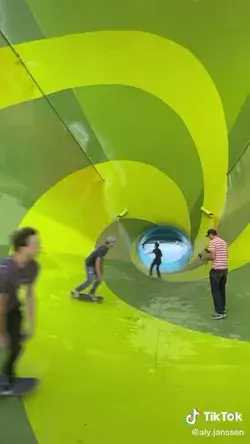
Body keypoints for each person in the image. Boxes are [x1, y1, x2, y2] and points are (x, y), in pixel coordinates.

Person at [0, 227, 40, 394]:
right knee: (3, 343)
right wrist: (1, 335)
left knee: (16, 346)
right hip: (2, 307)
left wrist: (31, 323)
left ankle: (6, 378)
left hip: (13, 306)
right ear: (22, 247)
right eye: (35, 244)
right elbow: (1, 307)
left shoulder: (33, 267)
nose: (39, 247)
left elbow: (30, 294)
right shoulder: (5, 271)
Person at [71, 236, 116, 300]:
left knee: (99, 280)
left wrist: (101, 270)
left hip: (93, 264)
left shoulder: (106, 248)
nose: (114, 244)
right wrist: (98, 273)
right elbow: (97, 262)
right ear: (109, 242)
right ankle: (76, 290)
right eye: (113, 242)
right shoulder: (102, 249)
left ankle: (91, 293)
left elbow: (101, 259)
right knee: (90, 280)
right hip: (90, 264)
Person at [200, 228, 228, 320]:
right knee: (221, 290)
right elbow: (223, 254)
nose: (209, 238)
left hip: (216, 270)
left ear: (210, 234)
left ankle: (219, 313)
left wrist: (205, 258)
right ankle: (222, 309)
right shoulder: (223, 242)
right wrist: (209, 251)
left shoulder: (213, 242)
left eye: (209, 237)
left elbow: (213, 257)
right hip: (224, 269)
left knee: (215, 291)